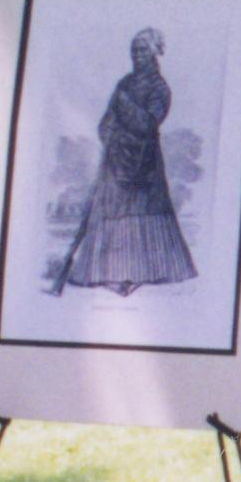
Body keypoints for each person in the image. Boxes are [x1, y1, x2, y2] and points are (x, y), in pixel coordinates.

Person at [53, 29, 195, 295]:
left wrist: (126, 108)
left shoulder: (160, 88)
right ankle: (108, 272)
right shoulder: (125, 83)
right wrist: (110, 135)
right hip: (116, 159)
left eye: (142, 50)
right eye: (134, 51)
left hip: (143, 163)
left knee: (142, 210)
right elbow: (106, 121)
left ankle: (142, 271)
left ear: (153, 54)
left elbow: (148, 123)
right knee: (111, 210)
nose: (137, 56)